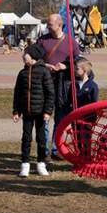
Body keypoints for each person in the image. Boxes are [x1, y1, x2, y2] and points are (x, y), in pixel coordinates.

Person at [37, 13, 80, 162]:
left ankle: (57, 148)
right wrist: (44, 65)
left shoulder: (71, 42)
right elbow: (34, 58)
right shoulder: (42, 40)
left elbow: (78, 62)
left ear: (59, 25)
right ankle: (45, 151)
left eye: (50, 23)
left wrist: (65, 66)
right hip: (44, 84)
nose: (47, 26)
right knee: (44, 118)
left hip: (63, 86)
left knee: (61, 118)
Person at [12, 43, 54, 177]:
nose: (23, 56)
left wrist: (48, 111)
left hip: (41, 113)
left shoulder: (43, 72)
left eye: (26, 54)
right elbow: (17, 93)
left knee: (41, 138)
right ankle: (25, 164)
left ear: (34, 56)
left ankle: (41, 163)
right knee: (26, 138)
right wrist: (16, 111)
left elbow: (50, 93)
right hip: (27, 112)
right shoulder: (22, 73)